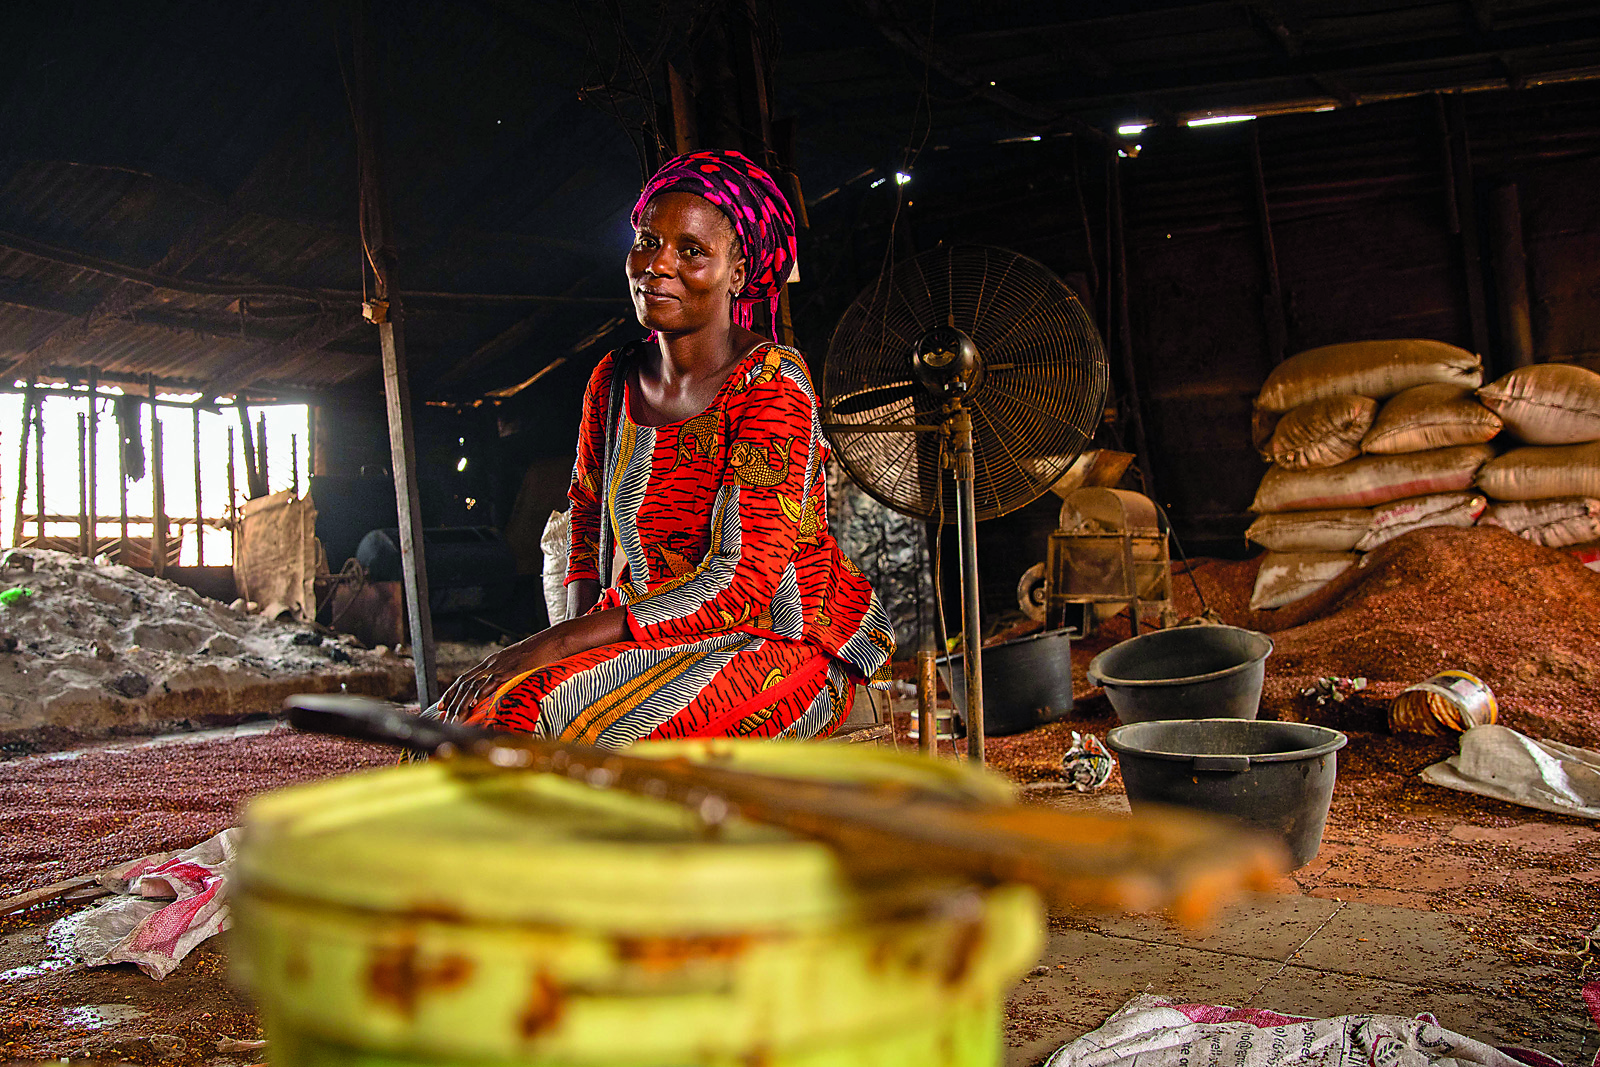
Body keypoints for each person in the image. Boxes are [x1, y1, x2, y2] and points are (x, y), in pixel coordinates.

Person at [435, 149, 895, 745]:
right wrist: (568, 657)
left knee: (536, 727)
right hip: (642, 633)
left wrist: (554, 647)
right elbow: (585, 524)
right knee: (450, 726)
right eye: (648, 240)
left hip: (774, 635)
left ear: (739, 272)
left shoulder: (772, 385)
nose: (657, 265)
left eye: (692, 250)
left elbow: (744, 584)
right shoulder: (613, 380)